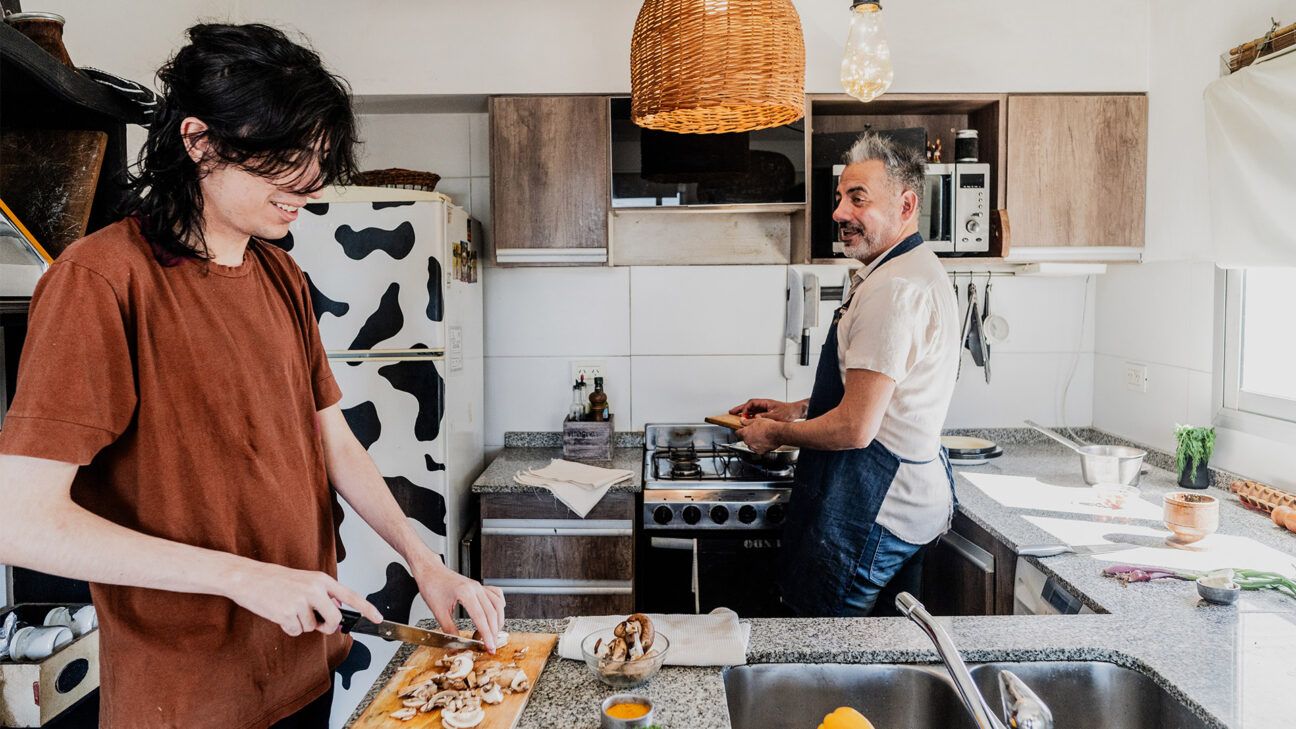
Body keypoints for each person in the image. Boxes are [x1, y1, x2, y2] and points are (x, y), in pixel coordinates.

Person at [0, 24, 504, 728]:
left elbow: (334, 439)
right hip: (186, 697)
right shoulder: (100, 281)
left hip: (301, 671)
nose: (312, 183)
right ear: (199, 140)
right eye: (287, 159)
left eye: (320, 158)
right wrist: (241, 577)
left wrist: (425, 562)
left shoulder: (281, 274)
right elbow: (18, 521)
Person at [730, 132, 960, 618]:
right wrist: (794, 409)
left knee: (830, 655)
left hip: (874, 510)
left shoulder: (894, 290)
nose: (839, 213)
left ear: (906, 204)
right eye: (840, 198)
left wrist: (775, 432)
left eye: (858, 199)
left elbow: (857, 428)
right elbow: (881, 398)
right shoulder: (907, 270)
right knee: (883, 661)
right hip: (905, 505)